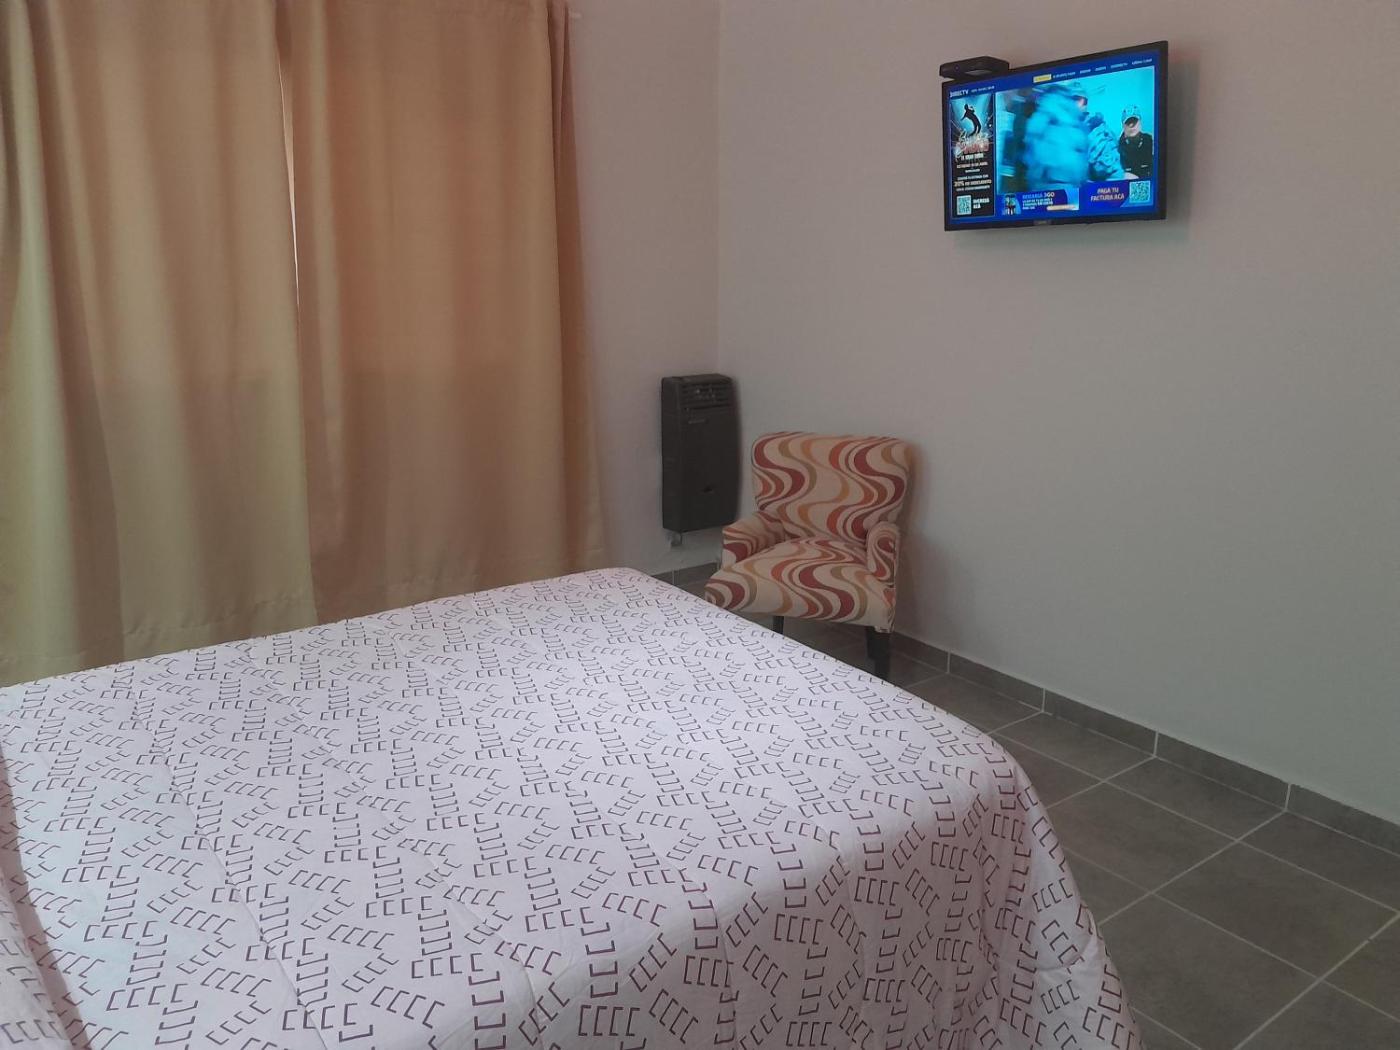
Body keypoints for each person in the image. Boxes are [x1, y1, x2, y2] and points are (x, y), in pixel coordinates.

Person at [1064, 80, 1126, 181]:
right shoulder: (1058, 132)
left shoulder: (1097, 135)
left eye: (1075, 99)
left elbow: (1114, 177)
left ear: (1084, 103)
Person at [1118, 105, 1154, 179]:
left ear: (1140, 123)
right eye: (1128, 122)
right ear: (1123, 126)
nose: (1131, 125)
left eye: (1134, 121)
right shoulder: (1116, 149)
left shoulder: (1151, 142)